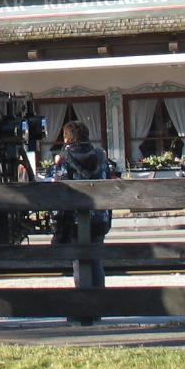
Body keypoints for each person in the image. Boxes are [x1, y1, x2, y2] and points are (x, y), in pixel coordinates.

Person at [47, 121, 115, 287]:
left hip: (73, 219)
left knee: (78, 261)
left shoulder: (64, 159)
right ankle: (98, 298)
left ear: (66, 138)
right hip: (99, 216)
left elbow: (59, 195)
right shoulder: (100, 156)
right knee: (96, 260)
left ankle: (82, 300)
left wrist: (56, 228)